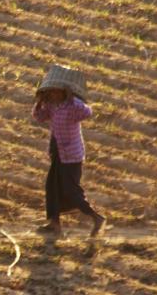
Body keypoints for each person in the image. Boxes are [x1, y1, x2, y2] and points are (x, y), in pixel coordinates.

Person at [32, 85, 105, 237]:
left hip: (72, 154)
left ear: (64, 92)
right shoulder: (51, 105)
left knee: (71, 189)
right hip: (57, 151)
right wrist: (40, 102)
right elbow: (39, 117)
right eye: (51, 91)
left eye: (56, 91)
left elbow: (88, 112)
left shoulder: (72, 106)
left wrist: (73, 99)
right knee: (52, 187)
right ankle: (54, 224)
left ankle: (96, 218)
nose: (53, 94)